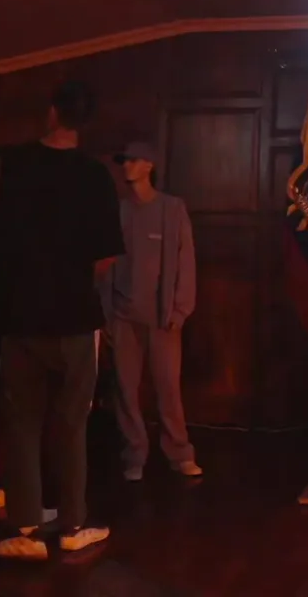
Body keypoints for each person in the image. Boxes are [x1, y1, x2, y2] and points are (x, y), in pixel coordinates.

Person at [0, 81, 124, 559]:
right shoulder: (95, 176)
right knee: (71, 425)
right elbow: (106, 257)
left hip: (18, 316)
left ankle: (26, 527)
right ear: (84, 121)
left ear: (51, 113)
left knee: (21, 423)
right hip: (73, 318)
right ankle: (72, 524)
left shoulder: (16, 165)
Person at [101, 142, 202, 482]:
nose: (126, 166)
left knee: (168, 388)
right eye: (124, 161)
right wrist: (106, 315)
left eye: (132, 160)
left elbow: (186, 262)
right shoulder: (118, 211)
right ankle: (134, 454)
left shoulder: (171, 209)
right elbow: (105, 265)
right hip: (122, 316)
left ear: (148, 166)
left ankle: (180, 453)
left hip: (162, 318)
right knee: (125, 390)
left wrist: (180, 309)